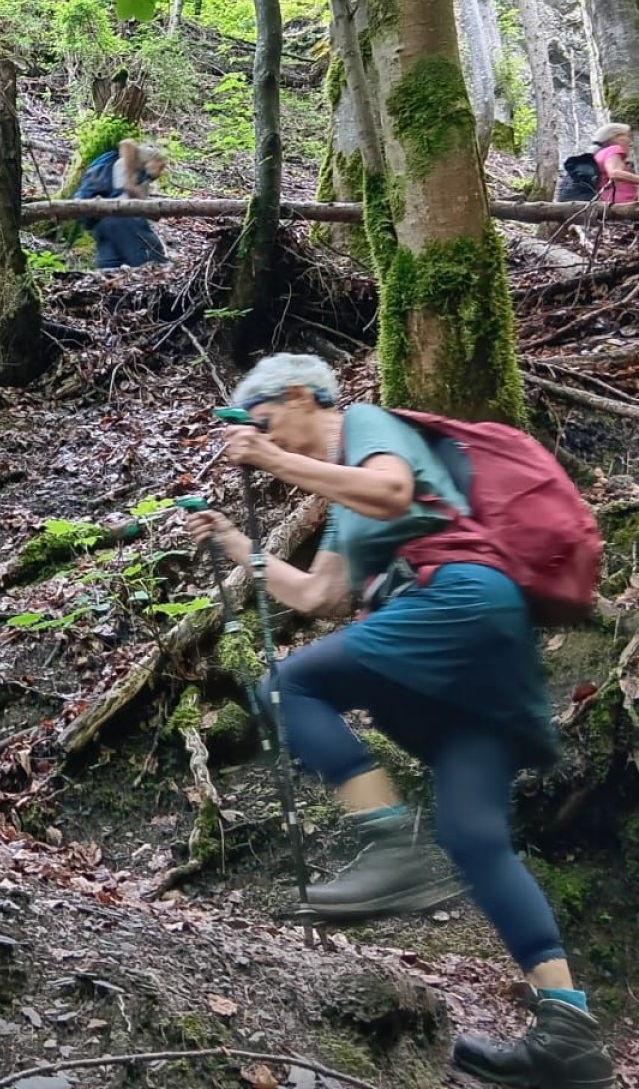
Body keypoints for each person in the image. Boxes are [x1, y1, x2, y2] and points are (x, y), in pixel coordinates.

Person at [183, 354, 612, 1089]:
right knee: (472, 835)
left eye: (264, 421)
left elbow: (391, 489)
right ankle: (567, 1029)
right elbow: (321, 595)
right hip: (481, 650)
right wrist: (239, 548)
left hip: (456, 604)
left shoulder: (370, 427)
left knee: (289, 685)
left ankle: (389, 846)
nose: (262, 439)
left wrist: (278, 457)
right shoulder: (347, 493)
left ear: (297, 395)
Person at [80, 138, 169, 269]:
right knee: (153, 261)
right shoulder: (133, 161)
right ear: (155, 161)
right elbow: (126, 143)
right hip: (123, 219)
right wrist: (130, 181)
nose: (160, 173)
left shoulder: (142, 176)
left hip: (101, 221)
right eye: (161, 167)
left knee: (109, 267)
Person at [592, 121, 638, 206]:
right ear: (615, 137)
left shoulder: (599, 153)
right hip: (620, 205)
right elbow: (614, 173)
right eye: (627, 136)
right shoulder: (614, 149)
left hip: (608, 204)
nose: (629, 141)